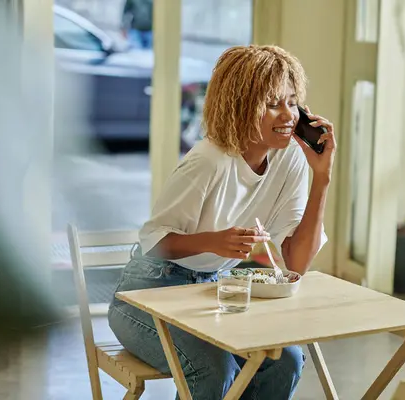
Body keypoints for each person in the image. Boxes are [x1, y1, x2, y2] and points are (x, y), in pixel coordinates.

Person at [108, 45, 335, 400]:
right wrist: (212, 241)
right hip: (145, 295)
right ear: (242, 105)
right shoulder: (209, 160)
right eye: (273, 103)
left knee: (286, 360)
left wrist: (321, 176)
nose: (288, 114)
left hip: (211, 291)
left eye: (292, 102)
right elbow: (154, 239)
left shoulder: (291, 158)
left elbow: (296, 263)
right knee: (213, 367)